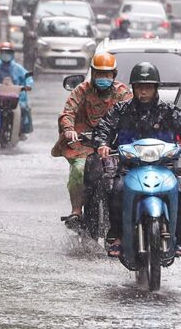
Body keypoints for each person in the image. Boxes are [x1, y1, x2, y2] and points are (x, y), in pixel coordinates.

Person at [94, 62, 181, 258]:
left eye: (148, 87)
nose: (144, 92)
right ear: (133, 89)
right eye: (139, 87)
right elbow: (105, 127)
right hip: (129, 168)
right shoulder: (121, 110)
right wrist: (102, 143)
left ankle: (178, 241)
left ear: (155, 88)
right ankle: (117, 235)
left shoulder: (169, 111)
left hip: (163, 168)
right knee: (116, 190)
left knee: (180, 195)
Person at [51, 53, 132, 229]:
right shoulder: (81, 90)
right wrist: (69, 130)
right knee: (79, 170)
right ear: (93, 74)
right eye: (100, 74)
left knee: (123, 177)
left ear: (114, 75)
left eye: (108, 75)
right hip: (84, 143)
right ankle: (76, 211)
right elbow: (68, 112)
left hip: (111, 145)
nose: (103, 78)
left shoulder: (122, 92)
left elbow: (133, 114)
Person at [0, 42, 34, 138]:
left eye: (8, 52)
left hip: (15, 97)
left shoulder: (18, 68)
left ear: (13, 53)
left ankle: (21, 130)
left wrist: (28, 84)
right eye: (3, 52)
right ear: (0, 53)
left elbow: (27, 76)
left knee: (23, 109)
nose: (6, 55)